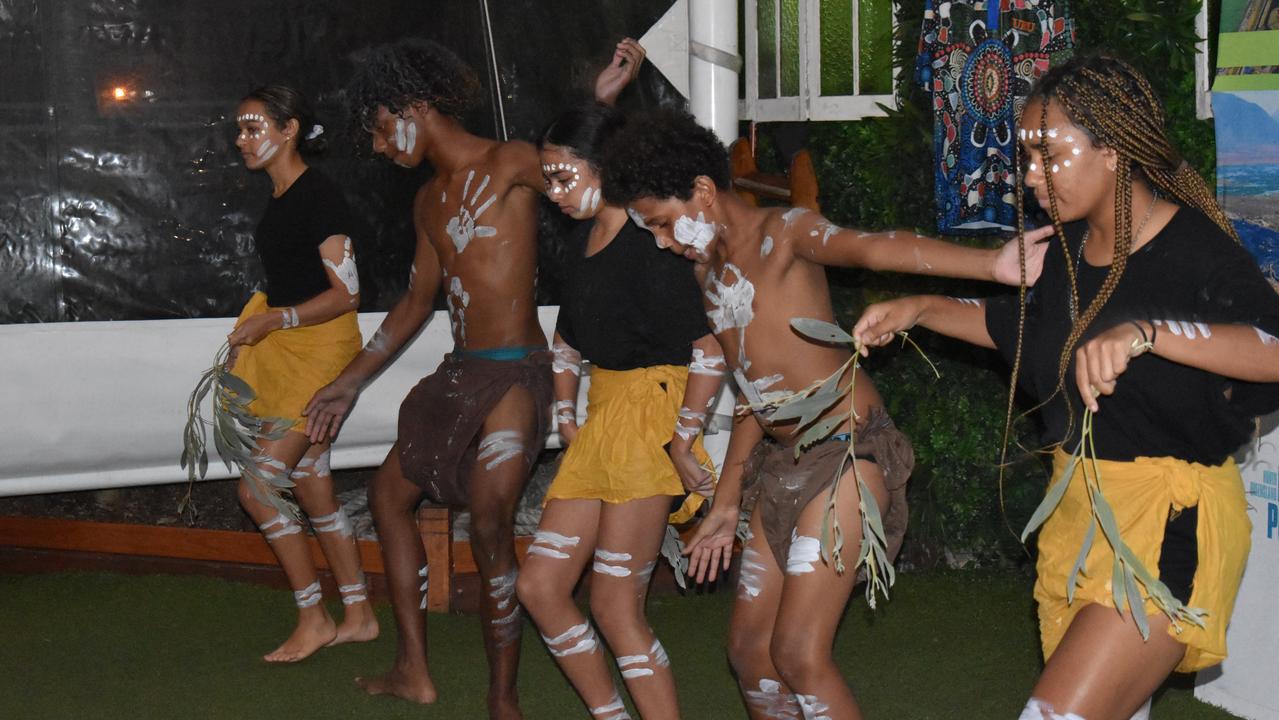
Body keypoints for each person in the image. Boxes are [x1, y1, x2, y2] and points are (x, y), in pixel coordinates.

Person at [852, 55, 1279, 720]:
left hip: (1168, 525)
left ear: (1111, 152)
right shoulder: (1069, 250)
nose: (1030, 177)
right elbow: (1019, 329)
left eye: (1048, 156)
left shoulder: (1195, 251)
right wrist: (922, 309)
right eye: (1026, 159)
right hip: (1078, 516)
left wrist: (1146, 331)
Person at [600, 108, 1052, 720]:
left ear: (703, 193)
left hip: (848, 452)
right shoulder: (706, 273)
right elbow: (754, 391)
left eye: (659, 223)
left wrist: (991, 265)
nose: (660, 241)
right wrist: (729, 499)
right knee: (749, 653)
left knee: (797, 652)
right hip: (782, 461)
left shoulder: (783, 233)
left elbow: (870, 248)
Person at [514, 101, 722, 720]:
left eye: (562, 175)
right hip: (603, 417)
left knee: (613, 604)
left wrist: (684, 440)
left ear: (604, 166)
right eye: (545, 177)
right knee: (540, 587)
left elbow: (709, 347)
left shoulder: (648, 236)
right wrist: (564, 411)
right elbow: (568, 340)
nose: (552, 191)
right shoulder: (581, 240)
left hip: (650, 415)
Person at [225, 84, 378, 663]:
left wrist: (274, 320)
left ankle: (313, 615)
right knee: (311, 481)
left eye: (252, 126)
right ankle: (360, 613)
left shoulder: (318, 196)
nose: (242, 139)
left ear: (289, 129)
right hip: (291, 347)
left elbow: (348, 294)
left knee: (259, 489)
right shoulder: (283, 193)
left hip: (320, 350)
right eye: (238, 129)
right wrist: (265, 324)